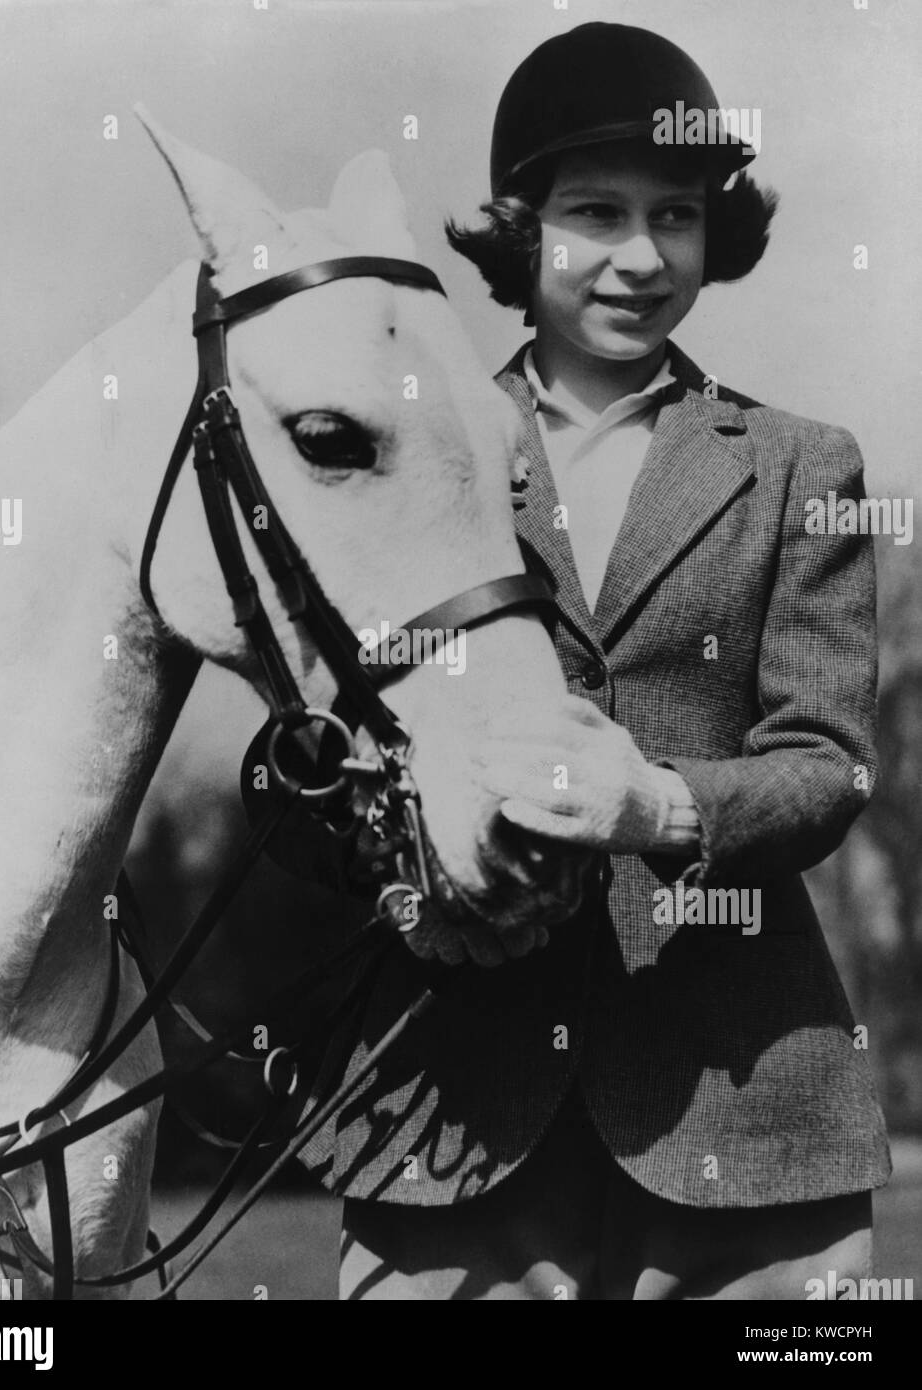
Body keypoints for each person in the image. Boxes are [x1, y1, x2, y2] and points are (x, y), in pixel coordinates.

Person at [299, 21, 890, 1300]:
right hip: (448, 1117)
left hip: (750, 1116)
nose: (638, 255)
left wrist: (659, 804)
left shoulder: (802, 466)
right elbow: (328, 752)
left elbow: (829, 765)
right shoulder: (408, 446)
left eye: (675, 215)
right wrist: (406, 854)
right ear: (521, 229)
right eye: (594, 212)